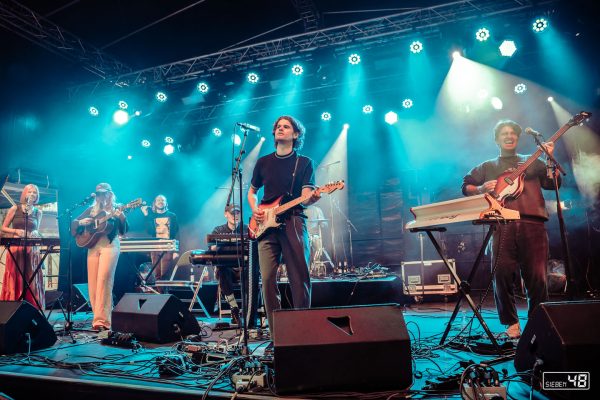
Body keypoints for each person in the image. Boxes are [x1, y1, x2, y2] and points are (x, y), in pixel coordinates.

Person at [462, 120, 559, 339]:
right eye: (504, 133)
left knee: (537, 277)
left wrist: (550, 159)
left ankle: (536, 325)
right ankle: (511, 324)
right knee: (502, 274)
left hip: (532, 223)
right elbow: (465, 186)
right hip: (500, 224)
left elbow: (553, 184)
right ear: (497, 139)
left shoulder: (532, 160)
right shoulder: (487, 166)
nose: (509, 136)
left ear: (517, 138)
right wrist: (478, 188)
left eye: (513, 133)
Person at [248, 115, 321, 335]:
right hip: (265, 225)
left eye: (286, 126)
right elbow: (252, 192)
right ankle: (276, 331)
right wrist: (255, 210)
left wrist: (312, 198)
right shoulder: (263, 162)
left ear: (295, 134)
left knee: (299, 276)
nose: (280, 129)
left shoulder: (304, 162)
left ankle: (302, 328)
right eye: (278, 127)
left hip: (293, 221)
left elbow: (306, 195)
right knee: (268, 279)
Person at [71, 183, 128, 331]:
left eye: (104, 193)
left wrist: (121, 217)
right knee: (93, 283)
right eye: (98, 194)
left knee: (104, 281)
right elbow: (74, 224)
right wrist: (80, 222)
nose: (101, 196)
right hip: (93, 246)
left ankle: (102, 321)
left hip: (110, 245)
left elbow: (124, 230)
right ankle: (98, 318)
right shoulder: (91, 210)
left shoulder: (117, 208)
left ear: (110, 194)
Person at [1, 184, 45, 310]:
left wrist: (37, 233)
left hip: (32, 249)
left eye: (35, 192)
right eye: (30, 192)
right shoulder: (15, 208)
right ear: (24, 194)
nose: (32, 194)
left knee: (31, 277)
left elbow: (37, 230)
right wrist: (15, 231)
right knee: (16, 275)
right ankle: (13, 306)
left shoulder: (38, 212)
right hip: (17, 247)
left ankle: (32, 308)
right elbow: (2, 228)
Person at [210, 204, 242, 325]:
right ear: (226, 214)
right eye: (233, 213)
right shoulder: (218, 230)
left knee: (252, 272)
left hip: (243, 267)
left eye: (238, 213)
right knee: (222, 271)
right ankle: (234, 309)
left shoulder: (246, 228)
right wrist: (221, 242)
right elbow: (212, 247)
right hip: (227, 269)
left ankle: (252, 310)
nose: (235, 216)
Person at [140, 194, 179, 281]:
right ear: (154, 203)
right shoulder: (152, 216)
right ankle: (160, 294)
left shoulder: (172, 216)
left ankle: (165, 293)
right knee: (156, 274)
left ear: (166, 203)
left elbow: (176, 233)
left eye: (163, 200)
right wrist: (146, 215)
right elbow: (149, 231)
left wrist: (176, 250)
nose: (160, 202)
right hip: (155, 248)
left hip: (168, 247)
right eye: (158, 200)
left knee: (165, 274)